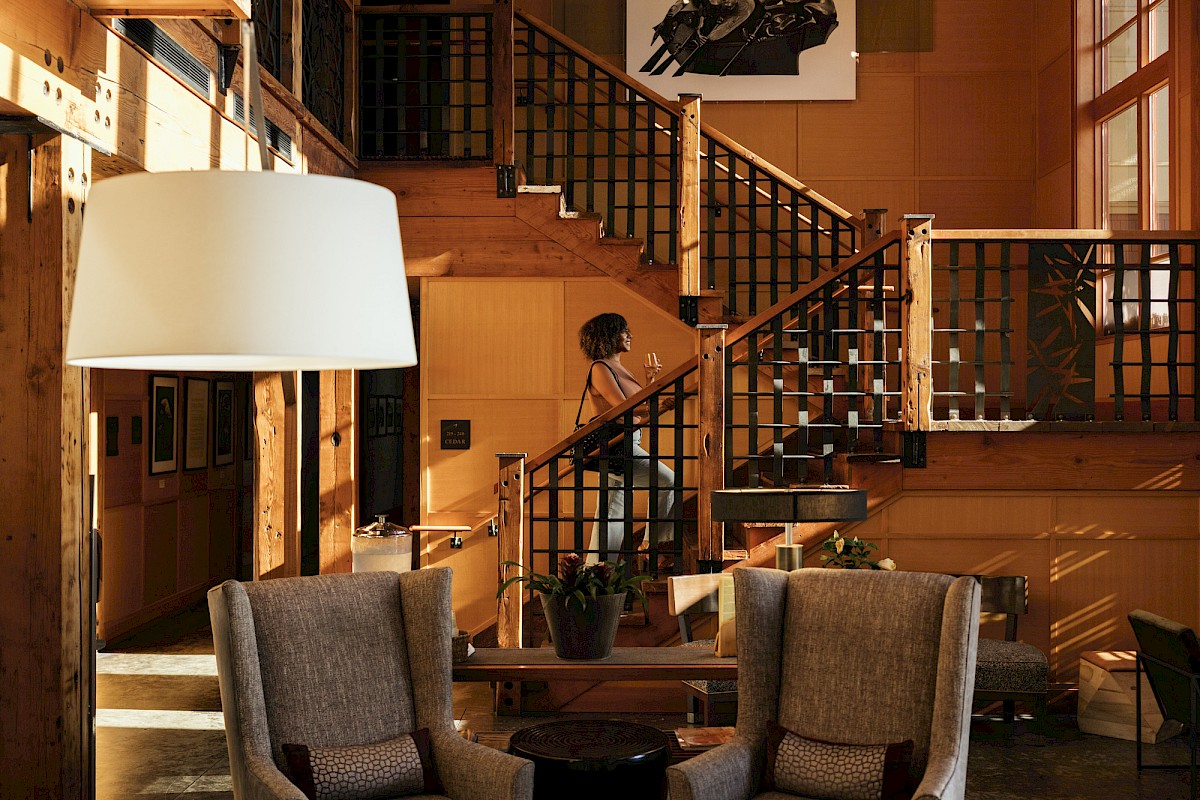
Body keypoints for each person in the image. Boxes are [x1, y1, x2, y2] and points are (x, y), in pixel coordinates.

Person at [577, 313, 677, 572]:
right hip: (615, 445)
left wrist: (650, 379)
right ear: (609, 335)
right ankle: (653, 545)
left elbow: (638, 409)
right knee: (667, 480)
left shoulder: (619, 368)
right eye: (624, 331)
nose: (630, 335)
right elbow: (622, 409)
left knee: (611, 511)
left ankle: (597, 571)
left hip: (629, 440)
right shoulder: (600, 368)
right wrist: (659, 404)